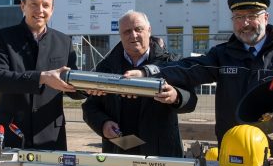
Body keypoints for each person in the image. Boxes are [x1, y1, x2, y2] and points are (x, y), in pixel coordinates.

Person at [125, 0, 273, 148]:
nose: (245, 23)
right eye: (238, 17)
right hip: (234, 150)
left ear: (266, 18)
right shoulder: (223, 54)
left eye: (252, 15)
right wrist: (147, 72)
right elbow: (186, 68)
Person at [82, 10, 197, 157]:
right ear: (120, 35)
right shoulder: (107, 67)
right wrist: (103, 124)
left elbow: (191, 100)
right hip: (119, 152)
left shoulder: (171, 63)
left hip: (161, 154)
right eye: (127, 31)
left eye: (138, 29)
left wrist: (176, 96)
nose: (133, 35)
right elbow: (90, 106)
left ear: (149, 30)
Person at [0, 0, 84, 150]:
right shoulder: (4, 38)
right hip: (10, 132)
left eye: (46, 5)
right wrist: (42, 78)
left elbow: (72, 86)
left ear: (52, 9)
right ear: (22, 6)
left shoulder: (63, 42)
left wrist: (90, 88)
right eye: (34, 4)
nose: (40, 10)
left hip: (50, 135)